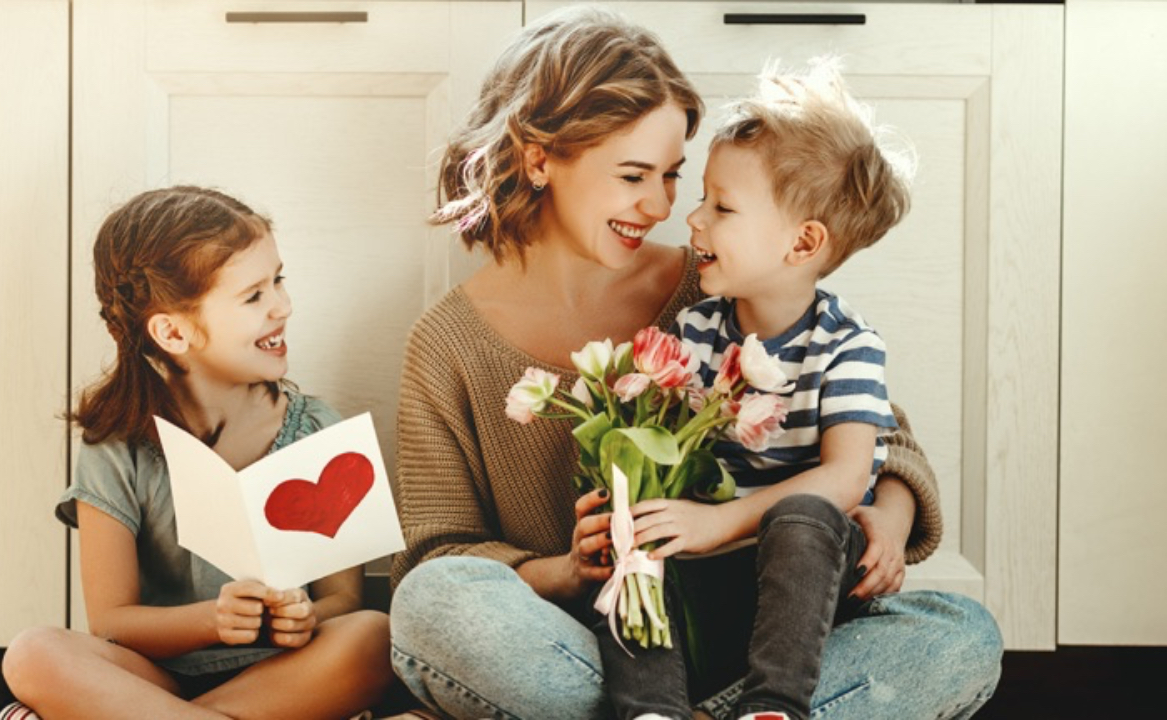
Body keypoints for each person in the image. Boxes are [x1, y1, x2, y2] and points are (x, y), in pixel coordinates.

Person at [388, 6, 1000, 720]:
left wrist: (888, 523)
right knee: (435, 605)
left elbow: (881, 445)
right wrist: (563, 571)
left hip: (780, 643)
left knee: (961, 636)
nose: (663, 207)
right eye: (632, 175)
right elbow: (438, 558)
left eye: (674, 175)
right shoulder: (447, 344)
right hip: (595, 645)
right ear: (538, 158)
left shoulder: (717, 280)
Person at [602, 58, 925, 720]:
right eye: (703, 199)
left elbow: (844, 478)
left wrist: (720, 521)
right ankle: (652, 707)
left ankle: (772, 705)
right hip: (714, 573)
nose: (692, 222)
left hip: (812, 575)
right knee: (635, 531)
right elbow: (665, 455)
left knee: (806, 519)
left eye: (721, 208)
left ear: (803, 242)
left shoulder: (848, 347)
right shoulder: (693, 331)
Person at [0, 187, 393, 720]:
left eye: (278, 280)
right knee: (31, 653)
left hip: (285, 674)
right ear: (172, 331)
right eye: (254, 296)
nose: (283, 306)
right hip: (157, 678)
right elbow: (112, 622)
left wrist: (303, 616)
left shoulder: (321, 432)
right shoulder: (115, 448)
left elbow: (344, 602)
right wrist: (213, 619)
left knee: (373, 635)